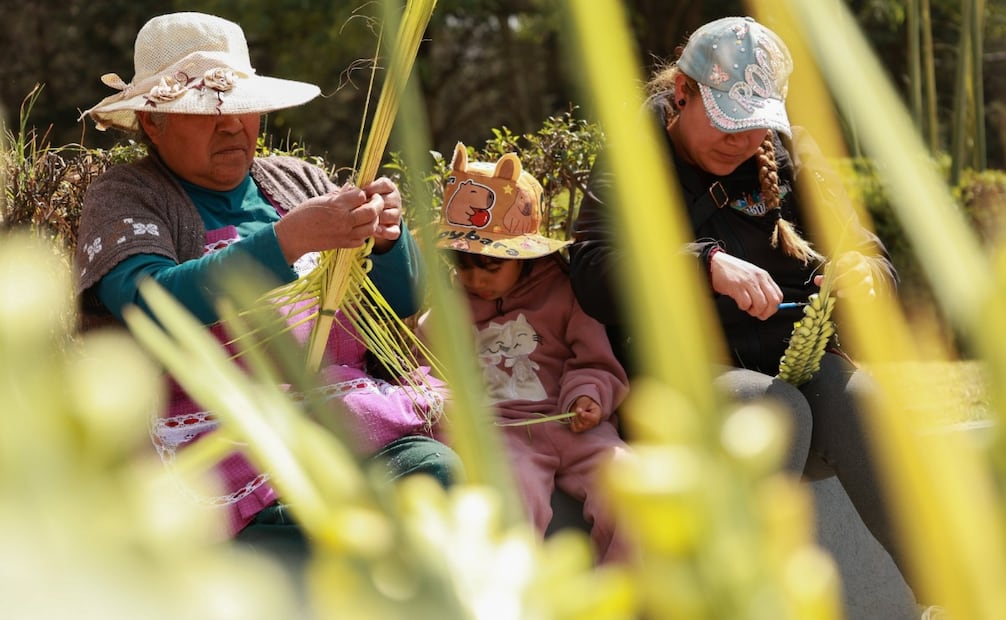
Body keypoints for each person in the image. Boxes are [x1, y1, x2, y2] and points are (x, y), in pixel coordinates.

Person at [567, 14, 936, 605]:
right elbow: (590, 270)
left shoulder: (785, 151)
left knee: (864, 405)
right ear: (680, 95)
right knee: (771, 413)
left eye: (754, 127)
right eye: (727, 122)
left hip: (790, 365)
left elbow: (871, 259)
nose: (742, 142)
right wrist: (703, 264)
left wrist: (867, 278)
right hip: (679, 381)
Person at [74, 12, 460, 567]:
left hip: (352, 414)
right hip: (224, 435)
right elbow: (146, 303)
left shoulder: (297, 180)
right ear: (152, 123)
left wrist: (386, 241)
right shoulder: (127, 197)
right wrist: (285, 242)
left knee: (433, 475)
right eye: (205, 111)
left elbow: (400, 301)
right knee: (302, 536)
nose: (232, 125)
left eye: (240, 107)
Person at [425, 143, 631, 563]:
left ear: (524, 257)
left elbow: (591, 359)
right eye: (463, 266)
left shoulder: (568, 291)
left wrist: (588, 395)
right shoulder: (447, 307)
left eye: (490, 266)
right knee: (508, 502)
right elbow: (428, 377)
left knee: (633, 492)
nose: (475, 280)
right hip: (498, 433)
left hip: (574, 423)